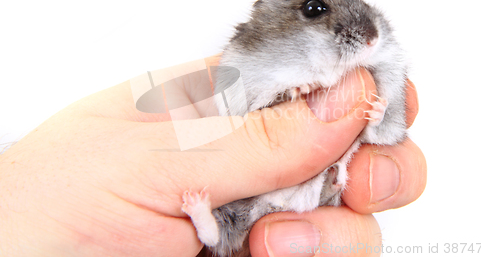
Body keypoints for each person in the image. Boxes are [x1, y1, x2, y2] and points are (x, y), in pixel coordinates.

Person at [0, 55, 425, 257]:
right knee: (228, 227)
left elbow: (385, 131)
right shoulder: (258, 78)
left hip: (314, 187)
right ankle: (207, 223)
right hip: (250, 209)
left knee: (346, 181)